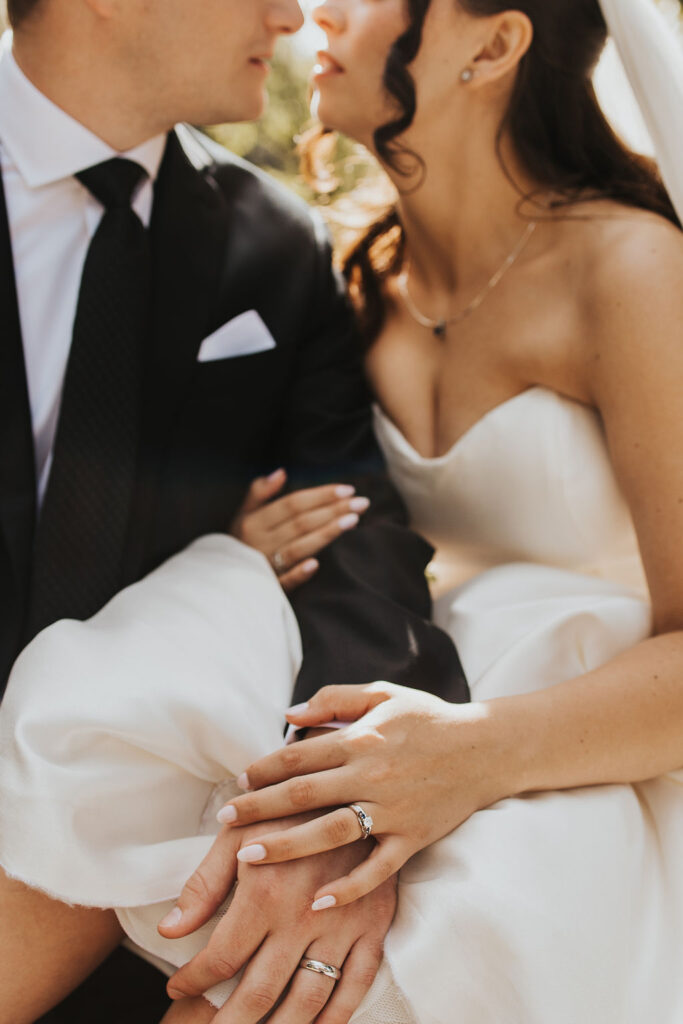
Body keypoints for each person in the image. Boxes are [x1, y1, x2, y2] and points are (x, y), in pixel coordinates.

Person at [115, 0, 683, 1021]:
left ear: (494, 44)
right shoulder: (355, 277)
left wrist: (463, 758)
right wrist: (242, 538)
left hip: (581, 738)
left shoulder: (630, 269)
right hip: (401, 680)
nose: (316, 9)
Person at [0, 0, 468, 1021]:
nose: (291, 13)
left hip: (125, 836)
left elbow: (352, 531)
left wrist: (342, 800)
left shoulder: (276, 244)